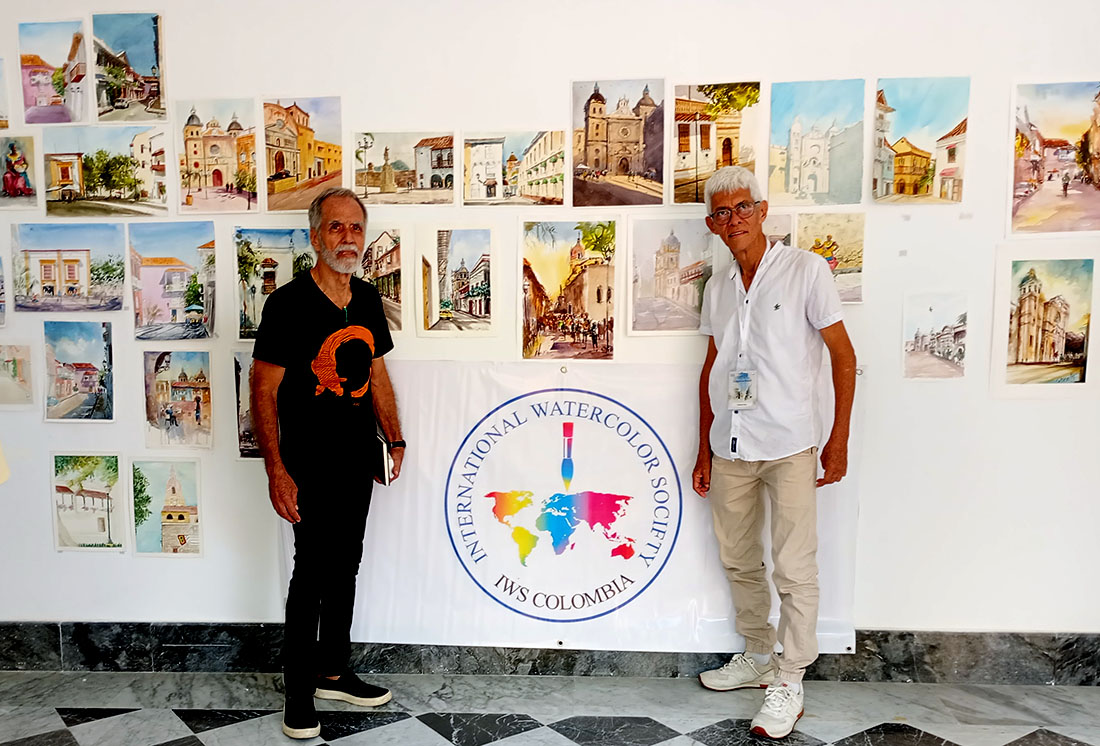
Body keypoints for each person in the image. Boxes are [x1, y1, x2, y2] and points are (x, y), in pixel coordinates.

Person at [692, 167, 856, 739]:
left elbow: (843, 356)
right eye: (722, 212)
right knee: (738, 559)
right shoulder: (717, 288)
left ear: (762, 211)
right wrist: (704, 447)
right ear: (711, 225)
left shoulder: (807, 271)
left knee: (793, 566)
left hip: (789, 442)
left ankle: (790, 678)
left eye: (743, 207)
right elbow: (712, 369)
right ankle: (759, 654)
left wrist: (838, 438)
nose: (733, 219)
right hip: (731, 444)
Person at [251, 187, 405, 740]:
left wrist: (395, 439)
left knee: (346, 564)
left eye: (355, 227)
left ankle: (334, 671)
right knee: (312, 571)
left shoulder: (366, 298)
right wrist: (276, 469)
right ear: (316, 236)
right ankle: (298, 692)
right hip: (307, 463)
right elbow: (262, 390)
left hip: (358, 457)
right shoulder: (287, 305)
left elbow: (378, 374)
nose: (348, 237)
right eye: (336, 227)